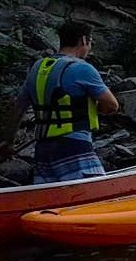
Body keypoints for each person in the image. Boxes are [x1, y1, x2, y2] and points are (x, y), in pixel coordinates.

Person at [0, 21, 120, 184]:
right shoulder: (82, 69)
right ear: (83, 40)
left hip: (43, 150)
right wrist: (95, 109)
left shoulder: (37, 68)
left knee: (50, 203)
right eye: (90, 42)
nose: (89, 48)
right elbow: (112, 105)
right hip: (74, 146)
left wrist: (8, 142)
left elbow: (17, 109)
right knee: (95, 196)